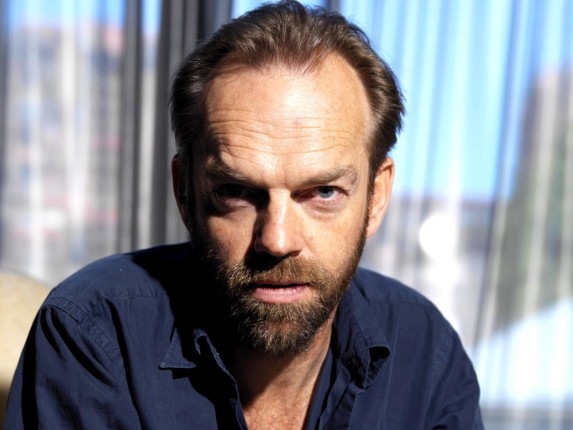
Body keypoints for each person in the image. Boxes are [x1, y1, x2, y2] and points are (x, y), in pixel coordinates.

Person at [4, 1, 483, 428]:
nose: (277, 239)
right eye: (235, 191)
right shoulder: (93, 334)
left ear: (375, 197)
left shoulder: (427, 355)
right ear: (185, 190)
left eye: (323, 192)